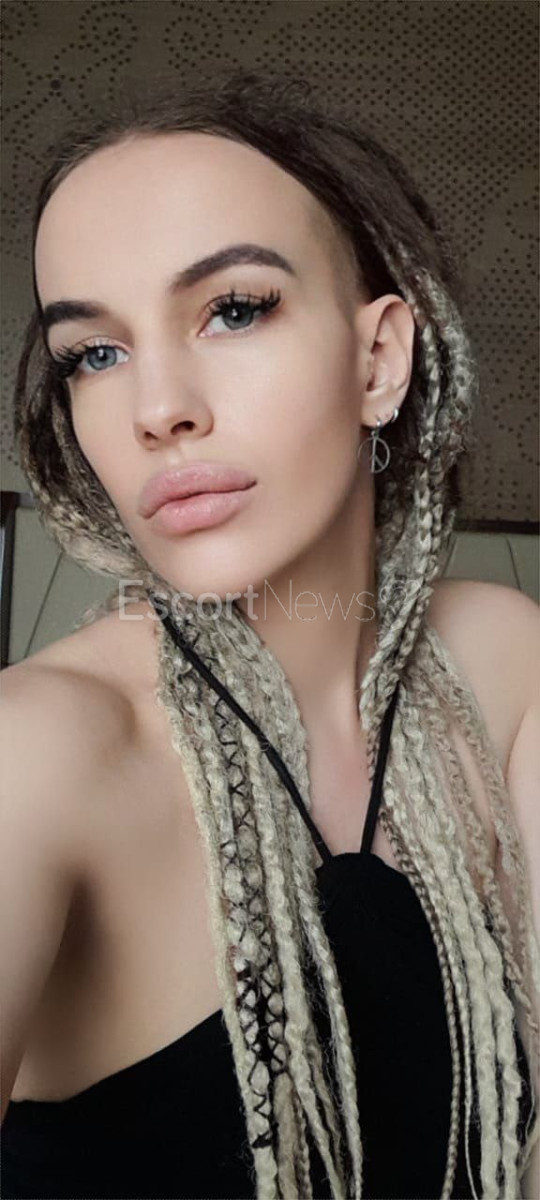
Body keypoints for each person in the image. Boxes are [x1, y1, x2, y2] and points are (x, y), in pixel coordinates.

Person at [1, 67, 538, 1200]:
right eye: (93, 353)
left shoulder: (506, 665)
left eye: (234, 308)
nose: (158, 409)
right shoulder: (36, 752)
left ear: (377, 360)